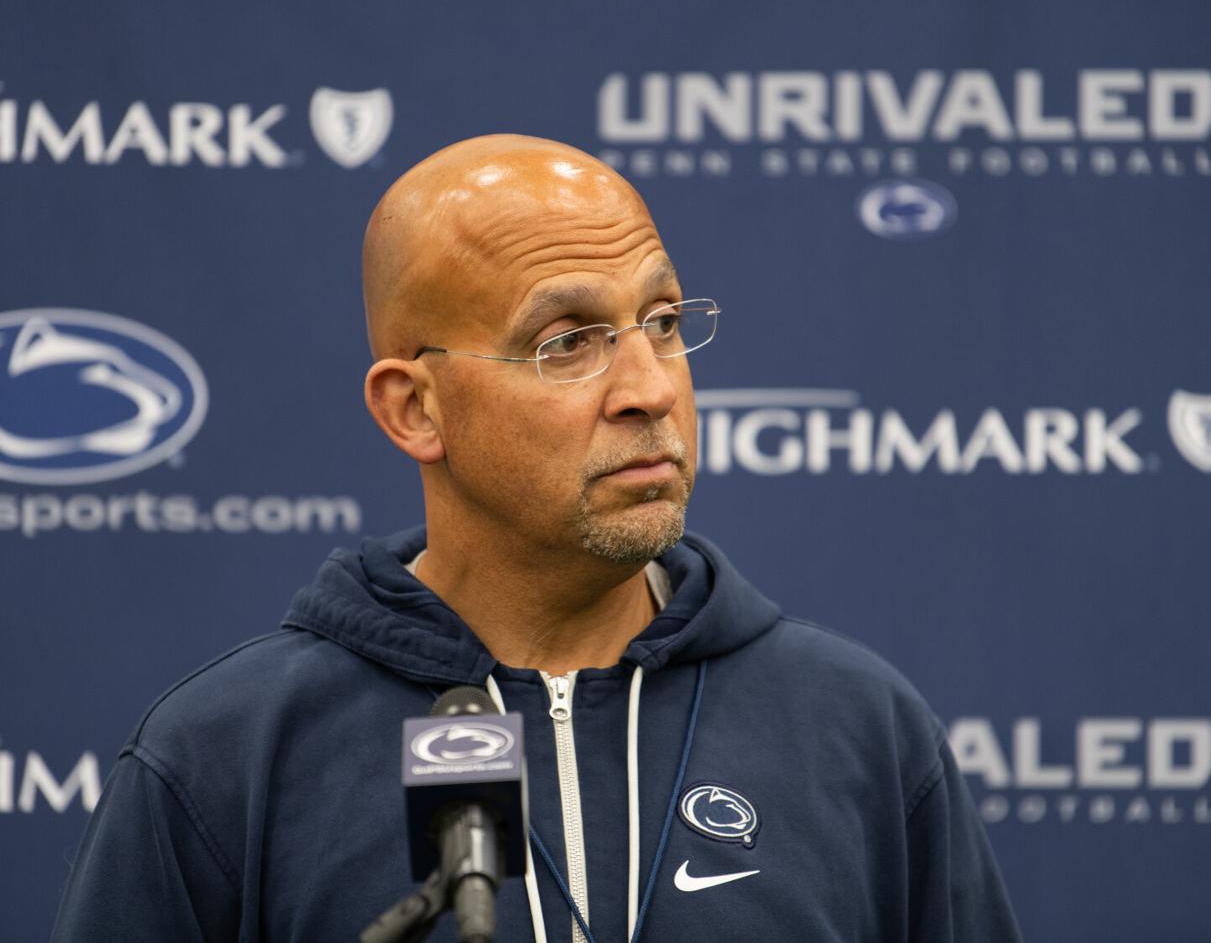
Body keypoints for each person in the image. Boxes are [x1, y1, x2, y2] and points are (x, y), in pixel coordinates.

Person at [50, 135, 1022, 942]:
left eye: (664, 322)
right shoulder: (227, 758)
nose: (649, 388)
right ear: (415, 410)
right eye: (568, 342)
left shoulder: (859, 733)